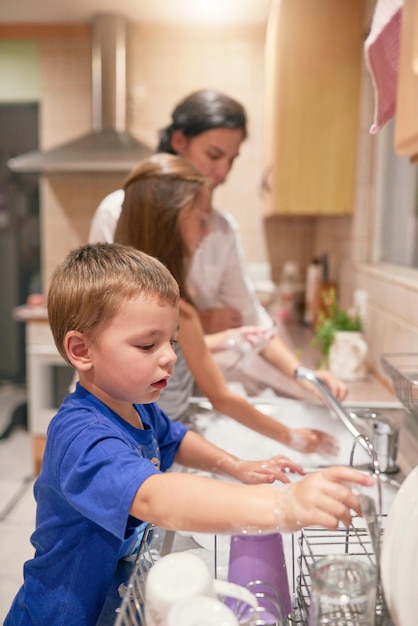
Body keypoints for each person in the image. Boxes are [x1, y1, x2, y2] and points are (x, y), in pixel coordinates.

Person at [5, 242, 374, 625]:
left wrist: (238, 466)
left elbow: (175, 438)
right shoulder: (82, 438)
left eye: (172, 341)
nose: (169, 356)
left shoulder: (135, 404)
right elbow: (154, 499)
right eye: (148, 344)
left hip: (109, 601)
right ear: (82, 350)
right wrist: (284, 504)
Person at [88, 89, 348, 402]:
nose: (223, 172)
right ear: (180, 141)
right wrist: (200, 324)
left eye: (232, 160)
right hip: (120, 399)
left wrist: (303, 374)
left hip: (182, 394)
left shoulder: (222, 230)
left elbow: (251, 319)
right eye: (214, 155)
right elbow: (106, 323)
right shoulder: (116, 213)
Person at [114, 153, 336, 457]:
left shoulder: (113, 296)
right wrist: (294, 438)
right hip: (148, 453)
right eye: (202, 220)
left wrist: (231, 339)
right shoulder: (178, 308)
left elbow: (175, 348)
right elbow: (222, 397)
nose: (207, 232)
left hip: (134, 446)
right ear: (169, 222)